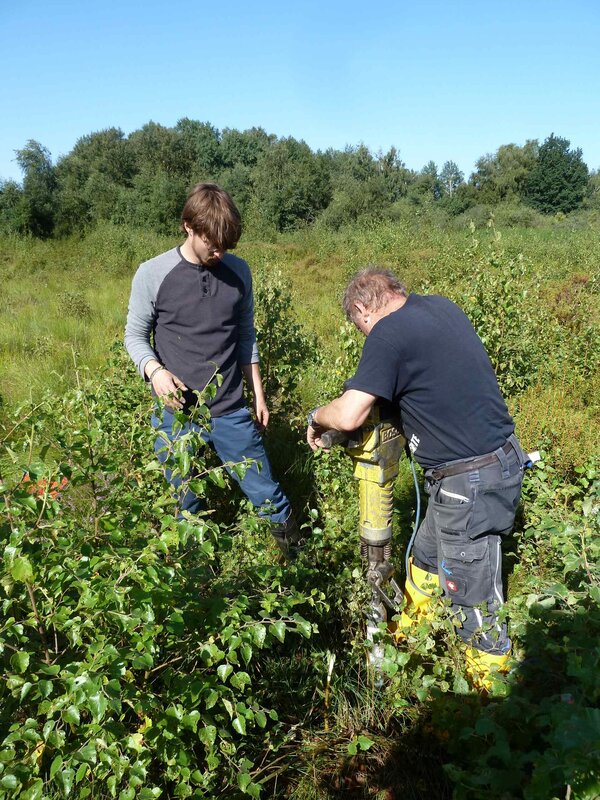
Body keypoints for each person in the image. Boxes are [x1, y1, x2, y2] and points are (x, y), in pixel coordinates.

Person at [306, 267, 527, 688]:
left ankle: (488, 708)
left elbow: (351, 412)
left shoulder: (387, 334)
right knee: (425, 558)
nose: (365, 337)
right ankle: (409, 642)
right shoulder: (440, 307)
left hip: (470, 483)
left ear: (361, 308)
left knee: (474, 604)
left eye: (360, 328)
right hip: (490, 466)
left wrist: (316, 418)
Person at [125, 182, 299, 554]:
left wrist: (259, 395)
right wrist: (154, 371)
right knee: (182, 498)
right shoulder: (153, 274)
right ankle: (195, 576)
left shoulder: (239, 272)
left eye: (226, 245)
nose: (219, 252)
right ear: (188, 226)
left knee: (265, 491)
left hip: (229, 407)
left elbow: (245, 335)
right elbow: (134, 337)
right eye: (212, 244)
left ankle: (296, 566)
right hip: (175, 413)